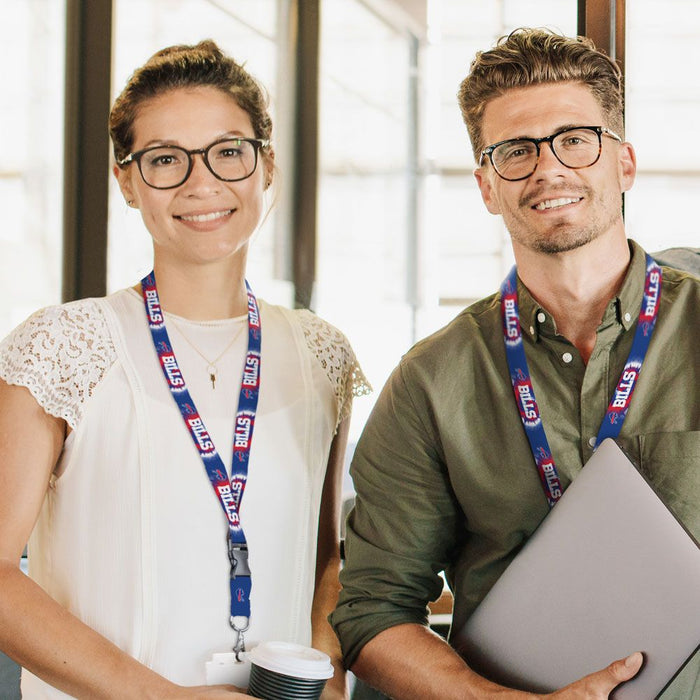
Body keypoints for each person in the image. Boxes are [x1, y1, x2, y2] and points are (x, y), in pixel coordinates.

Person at [331, 28, 700, 699]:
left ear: (624, 163)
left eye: (575, 139)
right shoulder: (429, 383)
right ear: (485, 185)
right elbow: (372, 612)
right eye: (516, 152)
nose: (548, 169)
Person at [0, 40, 369, 699]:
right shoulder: (64, 343)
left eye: (228, 152)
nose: (202, 184)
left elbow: (323, 561)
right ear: (127, 180)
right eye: (166, 159)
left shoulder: (322, 352)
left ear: (265, 167)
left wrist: (325, 673)